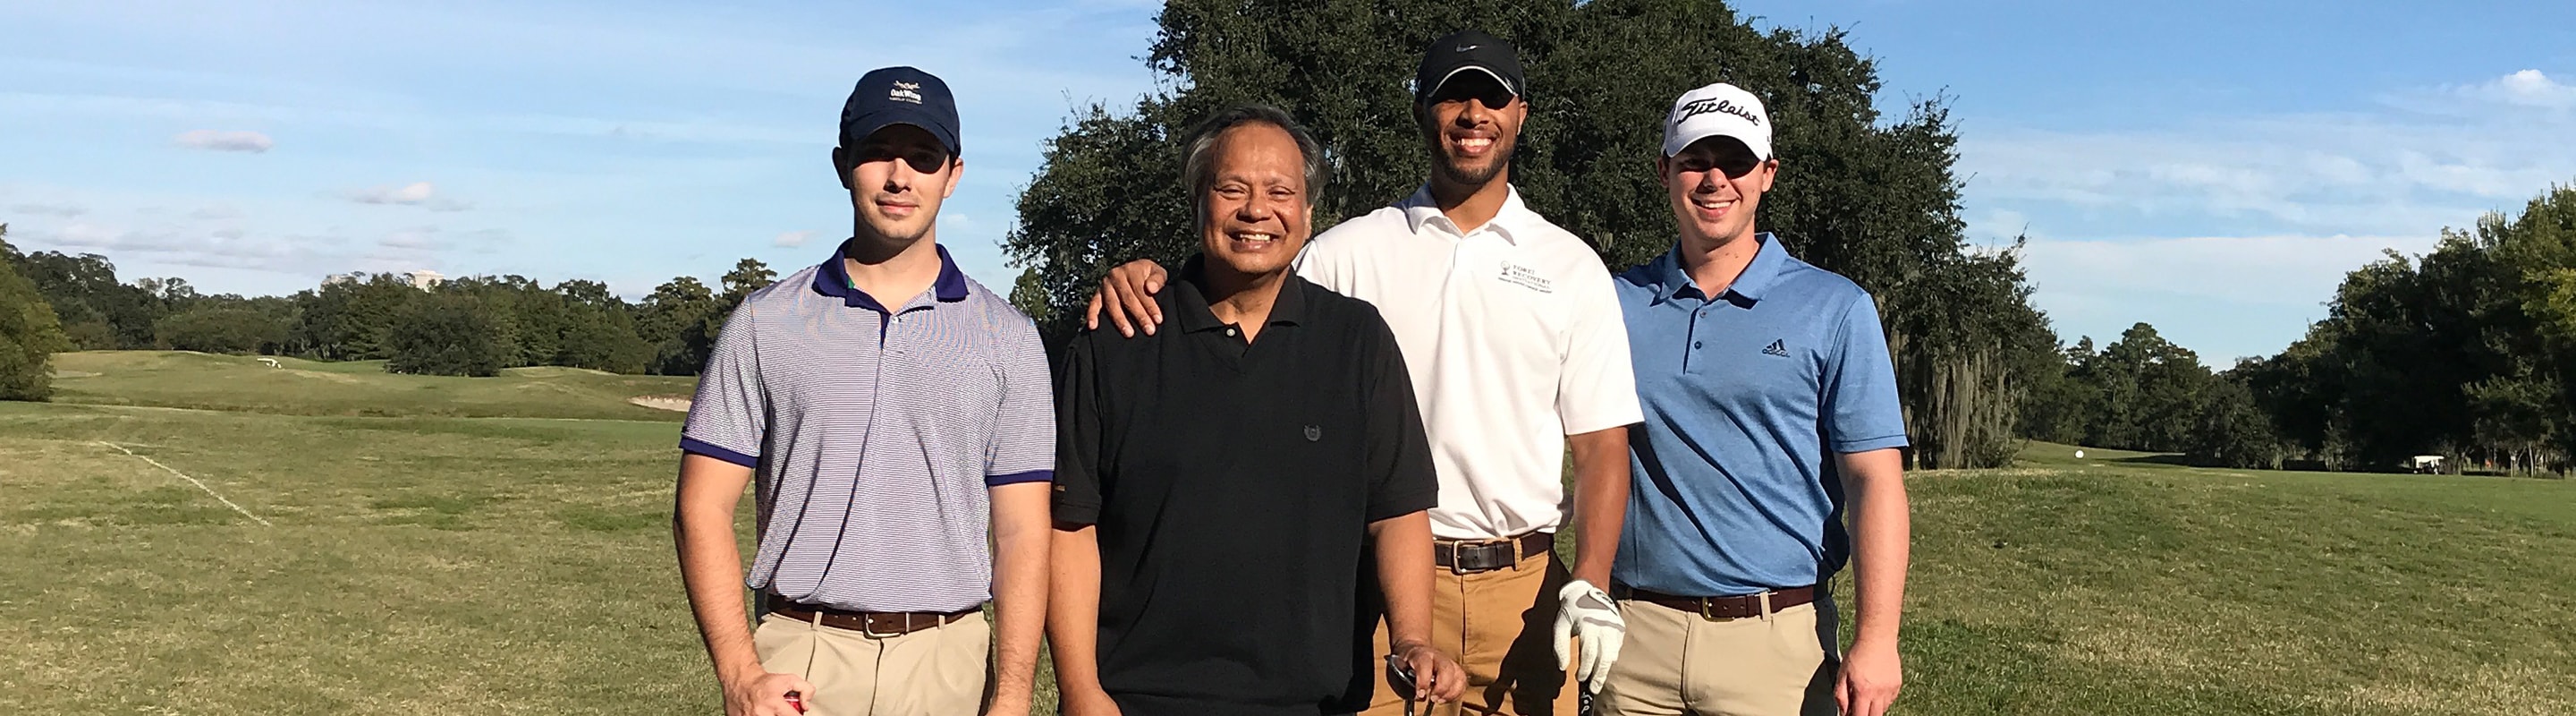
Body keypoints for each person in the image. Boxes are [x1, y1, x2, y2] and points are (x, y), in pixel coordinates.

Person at [1085, 31, 1640, 716]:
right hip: (1373, 585)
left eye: (1491, 98)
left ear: (1521, 113)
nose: (1472, 114)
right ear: (1422, 112)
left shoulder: (1571, 266)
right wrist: (1152, 277)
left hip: (1522, 588)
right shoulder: (1348, 252)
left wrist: (1589, 581)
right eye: (1452, 97)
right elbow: (1251, 294)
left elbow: (1600, 446)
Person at [1047, 104, 1467, 716]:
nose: (1256, 211)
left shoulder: (1356, 342)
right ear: (1198, 201)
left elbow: (1396, 510)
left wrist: (1411, 638)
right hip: (1139, 698)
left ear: (1307, 213)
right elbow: (1071, 526)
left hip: (1314, 702)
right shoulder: (1117, 341)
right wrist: (1082, 692)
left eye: (1280, 191)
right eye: (1231, 189)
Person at [673, 66, 1054, 716]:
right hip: (801, 658)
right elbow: (701, 508)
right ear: (843, 163)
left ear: (953, 174)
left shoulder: (1008, 338)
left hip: (948, 661)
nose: (900, 177)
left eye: (923, 158)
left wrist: (1013, 696)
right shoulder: (766, 322)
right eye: (879, 153)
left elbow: (1022, 533)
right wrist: (740, 673)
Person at [1596, 82, 1911, 716]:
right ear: (1665, 172)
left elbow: (1874, 481)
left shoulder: (1836, 307)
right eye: (1695, 160)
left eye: (1735, 162)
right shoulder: (1610, 301)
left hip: (1775, 644)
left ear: (1767, 174)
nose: (1715, 179)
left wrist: (1878, 640)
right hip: (1631, 643)